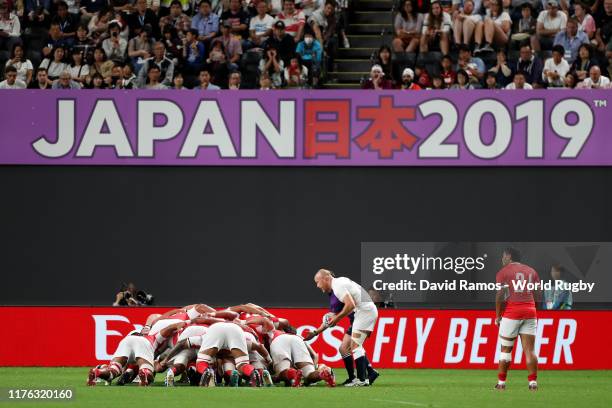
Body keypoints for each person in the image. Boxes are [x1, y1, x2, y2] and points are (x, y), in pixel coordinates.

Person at [307, 269, 379, 387]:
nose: (317, 285)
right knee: (344, 348)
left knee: (355, 346)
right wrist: (316, 332)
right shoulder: (337, 288)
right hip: (362, 313)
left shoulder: (338, 286)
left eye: (317, 282)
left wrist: (336, 319)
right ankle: (364, 374)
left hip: (364, 312)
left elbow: (350, 305)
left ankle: (361, 380)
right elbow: (331, 319)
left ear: (326, 278)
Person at [494, 247, 541, 391]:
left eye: (503, 256)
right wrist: (534, 309)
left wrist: (498, 315)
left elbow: (500, 295)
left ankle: (501, 383)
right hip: (530, 311)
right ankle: (533, 383)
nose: (502, 259)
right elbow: (538, 294)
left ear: (508, 256)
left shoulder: (503, 272)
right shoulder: (532, 271)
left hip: (512, 312)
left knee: (505, 350)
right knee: (530, 350)